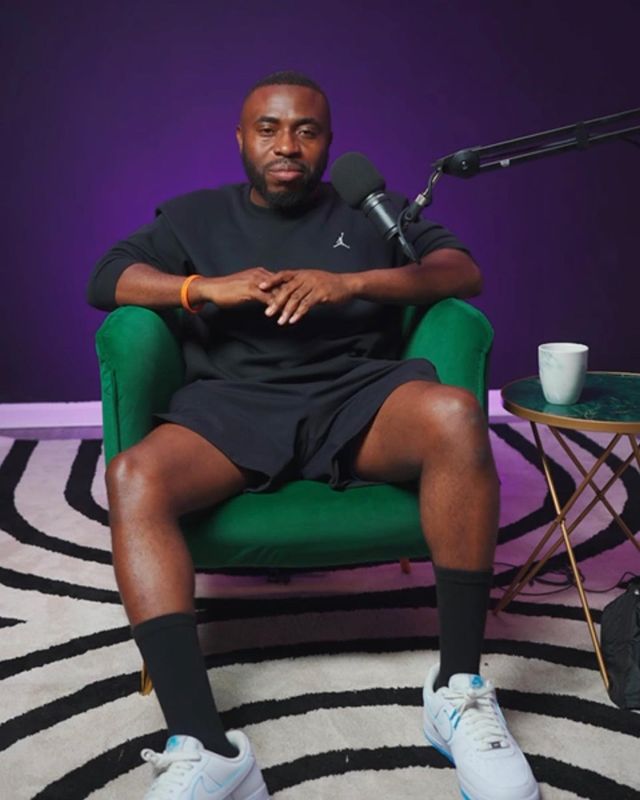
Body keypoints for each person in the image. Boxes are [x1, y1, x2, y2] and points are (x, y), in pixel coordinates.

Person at [88, 70, 539, 800]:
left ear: (329, 143)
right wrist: (203, 288)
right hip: (233, 406)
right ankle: (206, 747)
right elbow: (107, 277)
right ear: (242, 139)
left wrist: (351, 283)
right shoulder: (194, 216)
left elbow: (460, 271)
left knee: (455, 414)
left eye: (306, 130)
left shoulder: (373, 210)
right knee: (133, 476)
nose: (286, 145)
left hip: (357, 397)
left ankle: (457, 691)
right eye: (268, 128)